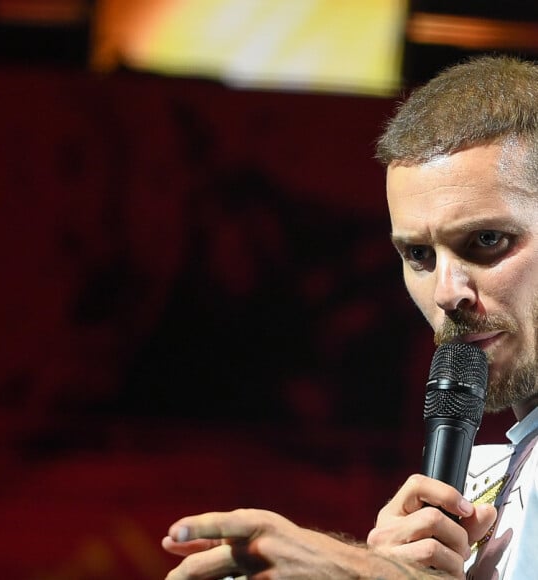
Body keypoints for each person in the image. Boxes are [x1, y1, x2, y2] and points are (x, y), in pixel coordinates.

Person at [161, 54, 538, 579]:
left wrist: (360, 572)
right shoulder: (478, 487)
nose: (447, 293)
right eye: (419, 257)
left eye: (487, 241)